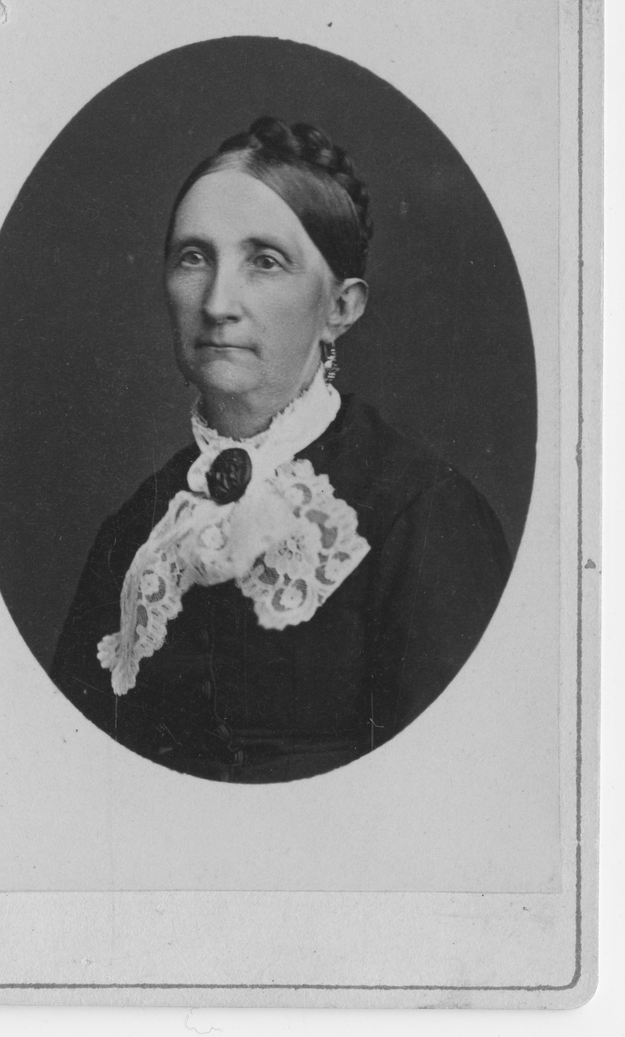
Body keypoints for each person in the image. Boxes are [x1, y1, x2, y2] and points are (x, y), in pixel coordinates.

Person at [51, 117, 512, 784]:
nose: (217, 303)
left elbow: (452, 795)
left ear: (340, 308)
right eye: (193, 257)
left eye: (264, 262)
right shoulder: (136, 530)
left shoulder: (422, 514)